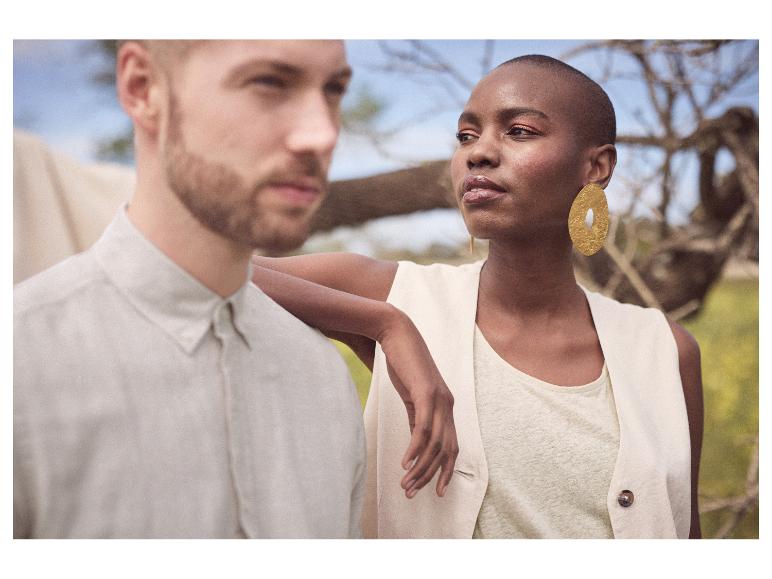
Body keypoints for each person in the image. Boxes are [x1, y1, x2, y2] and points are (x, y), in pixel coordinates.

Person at [13, 40, 457, 539]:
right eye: (269, 83)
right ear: (143, 88)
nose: (324, 133)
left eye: (333, 91)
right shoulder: (22, 366)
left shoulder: (322, 379)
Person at [250, 55, 704, 538]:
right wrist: (386, 324)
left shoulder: (666, 351)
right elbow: (200, 265)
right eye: (466, 136)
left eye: (520, 131)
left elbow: (685, 533)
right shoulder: (396, 296)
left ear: (596, 166)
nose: (478, 153)